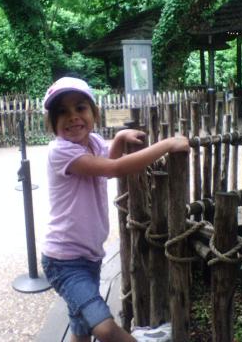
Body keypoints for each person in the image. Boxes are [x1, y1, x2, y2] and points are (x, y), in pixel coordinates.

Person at [41, 77, 188, 342]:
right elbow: (115, 169)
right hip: (64, 261)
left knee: (81, 326)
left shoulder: (93, 142)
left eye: (80, 108)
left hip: (90, 256)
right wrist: (167, 145)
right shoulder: (60, 152)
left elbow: (106, 164)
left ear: (94, 113)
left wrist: (119, 138)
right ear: (51, 122)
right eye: (62, 111)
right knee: (105, 328)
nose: (73, 117)